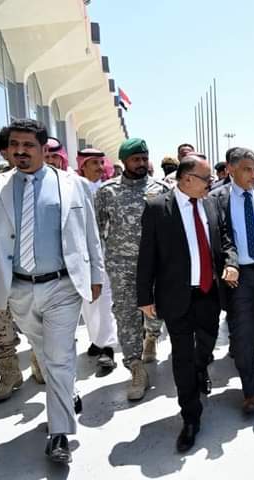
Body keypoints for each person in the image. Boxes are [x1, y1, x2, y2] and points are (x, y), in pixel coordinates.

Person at [0, 118, 104, 462]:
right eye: (15, 144)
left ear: (44, 149)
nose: (20, 151)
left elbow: (90, 234)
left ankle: (59, 433)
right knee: (45, 351)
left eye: (28, 145)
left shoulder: (72, 185)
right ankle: (68, 389)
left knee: (59, 357)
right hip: (17, 289)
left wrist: (97, 273)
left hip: (62, 285)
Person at [137, 155, 237, 453]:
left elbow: (225, 239)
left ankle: (200, 369)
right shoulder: (157, 208)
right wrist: (145, 298)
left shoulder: (210, 203)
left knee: (205, 345)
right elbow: (147, 256)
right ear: (187, 179)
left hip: (209, 292)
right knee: (182, 355)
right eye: (207, 179)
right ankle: (190, 416)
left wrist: (230, 262)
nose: (213, 183)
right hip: (176, 296)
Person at [95, 138, 169, 401]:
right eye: (135, 159)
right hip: (122, 266)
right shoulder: (107, 192)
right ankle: (135, 368)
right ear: (124, 161)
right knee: (126, 315)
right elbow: (97, 230)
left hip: (156, 265)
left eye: (144, 158)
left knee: (156, 309)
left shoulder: (161, 188)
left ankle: (152, 335)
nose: (141, 163)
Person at [0, 126, 43, 402]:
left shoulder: (43, 181)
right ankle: (8, 371)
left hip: (35, 268)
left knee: (39, 320)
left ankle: (40, 362)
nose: (15, 152)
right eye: (9, 147)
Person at [212, 148, 254, 414]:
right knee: (241, 332)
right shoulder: (216, 199)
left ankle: (248, 358)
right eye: (247, 169)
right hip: (236, 275)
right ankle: (250, 391)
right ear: (231, 169)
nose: (253, 174)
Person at [76, 148, 118, 375]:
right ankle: (97, 339)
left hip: (106, 252)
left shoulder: (108, 189)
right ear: (83, 165)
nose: (99, 168)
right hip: (81, 254)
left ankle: (108, 348)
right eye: (94, 163)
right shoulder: (74, 188)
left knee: (105, 299)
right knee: (88, 300)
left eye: (101, 163)